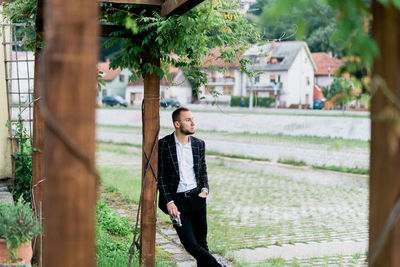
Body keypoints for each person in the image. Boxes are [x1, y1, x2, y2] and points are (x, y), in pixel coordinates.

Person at [158, 107, 223, 267]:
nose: (193, 123)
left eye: (192, 119)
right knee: (191, 245)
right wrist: (169, 202)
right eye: (188, 120)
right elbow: (160, 177)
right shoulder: (163, 145)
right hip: (177, 204)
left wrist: (205, 189)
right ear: (177, 124)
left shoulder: (199, 144)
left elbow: (203, 170)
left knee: (202, 244)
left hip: (198, 198)